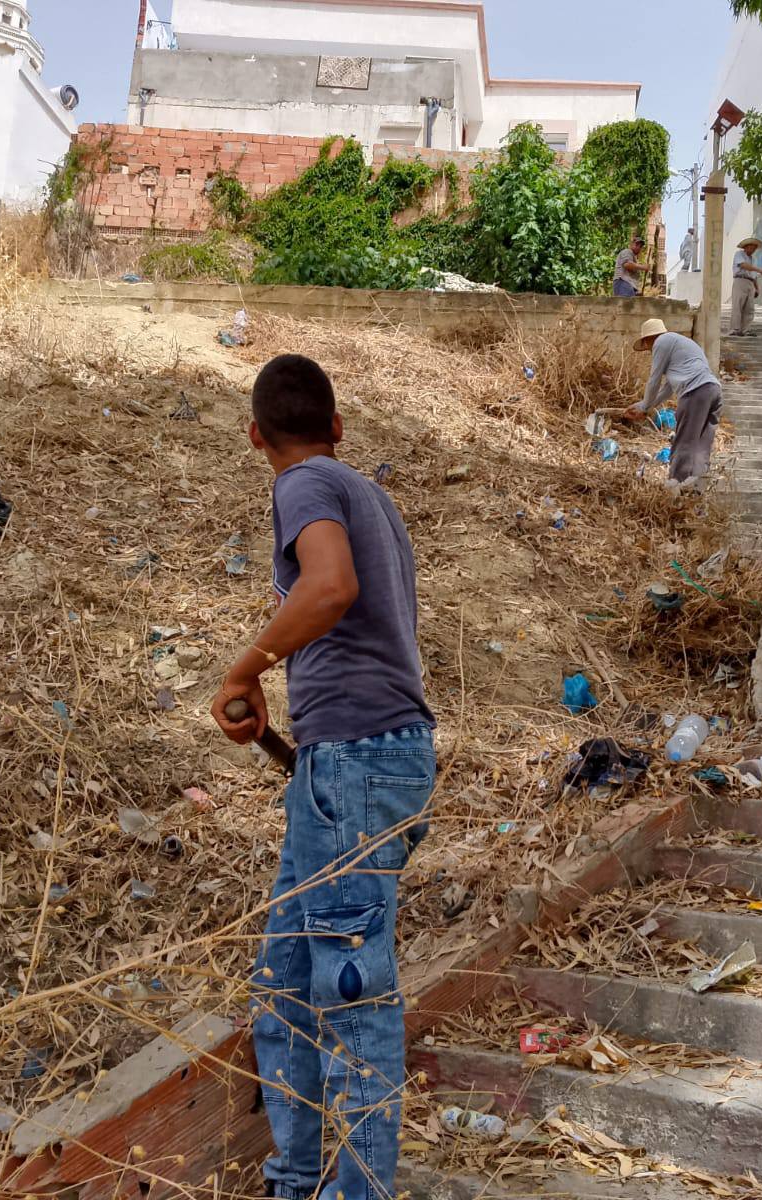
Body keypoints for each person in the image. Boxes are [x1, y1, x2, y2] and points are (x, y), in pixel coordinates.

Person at [212, 354, 436, 1200]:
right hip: (364, 760)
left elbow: (330, 586)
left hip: (356, 762)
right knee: (284, 981)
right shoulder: (371, 496)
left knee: (351, 996)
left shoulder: (304, 483)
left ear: (255, 436)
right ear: (338, 426)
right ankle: (296, 1178)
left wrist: (246, 669)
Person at [622, 318, 722, 491]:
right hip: (714, 391)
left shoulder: (661, 342)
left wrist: (644, 408)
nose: (649, 350)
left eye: (647, 346)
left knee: (684, 441)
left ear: (648, 339)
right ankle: (697, 487)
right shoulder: (680, 345)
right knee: (702, 444)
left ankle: (675, 483)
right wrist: (643, 405)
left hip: (695, 393)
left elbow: (654, 380)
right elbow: (667, 390)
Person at [730, 236, 762, 338]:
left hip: (750, 282)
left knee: (749, 308)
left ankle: (746, 329)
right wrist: (759, 270)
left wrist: (757, 288)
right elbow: (744, 266)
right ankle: (735, 329)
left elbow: (753, 276)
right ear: (746, 247)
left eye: (755, 248)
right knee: (738, 305)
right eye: (752, 247)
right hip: (740, 280)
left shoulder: (752, 259)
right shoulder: (739, 254)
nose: (753, 250)